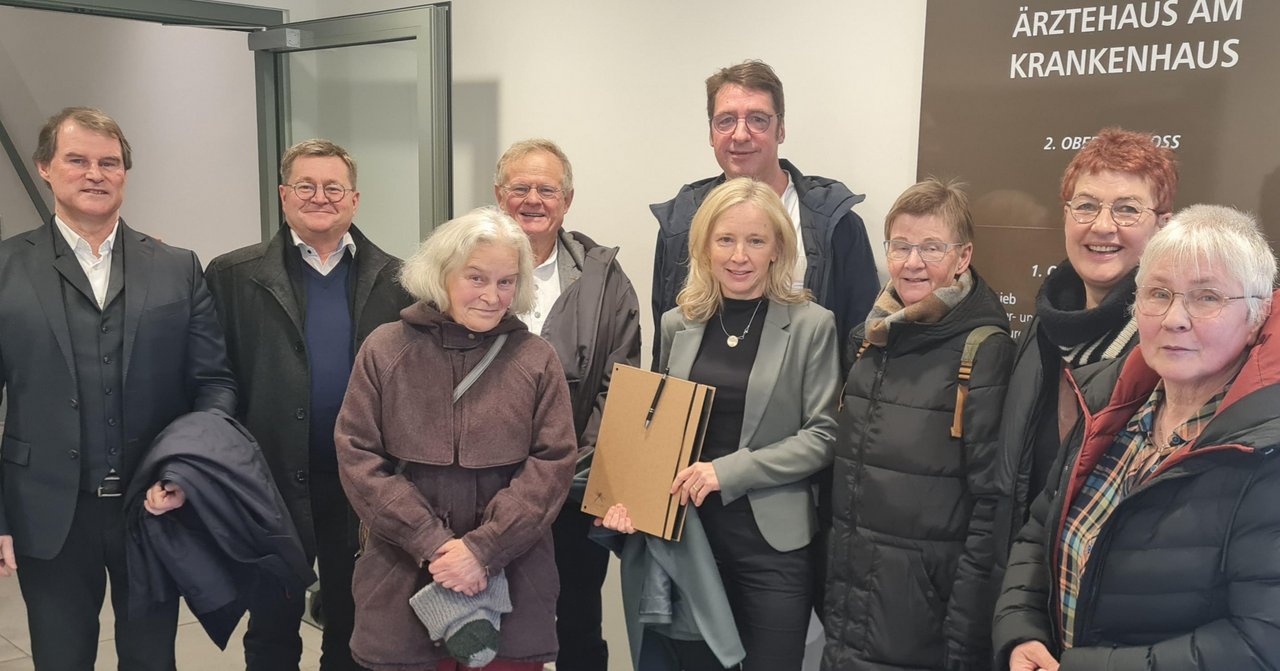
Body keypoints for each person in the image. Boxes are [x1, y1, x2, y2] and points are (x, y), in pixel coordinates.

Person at [993, 205, 1280, 670]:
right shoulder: (1107, 405)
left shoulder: (1267, 450)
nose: (1174, 318)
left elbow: (1260, 642)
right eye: (1159, 293)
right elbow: (1039, 529)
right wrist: (1020, 631)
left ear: (1255, 316)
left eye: (1206, 297)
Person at [0, 106, 237, 669]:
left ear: (125, 173)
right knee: (60, 658)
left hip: (152, 506)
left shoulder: (177, 267)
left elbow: (214, 384)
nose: (95, 174)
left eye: (109, 162)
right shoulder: (5, 267)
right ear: (44, 168)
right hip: (45, 510)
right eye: (77, 160)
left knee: (152, 658)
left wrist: (186, 474)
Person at [601, 177, 840, 670]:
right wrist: (629, 500)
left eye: (756, 241)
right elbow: (658, 430)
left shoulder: (812, 324)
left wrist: (725, 471)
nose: (739, 256)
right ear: (704, 247)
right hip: (690, 541)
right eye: (725, 239)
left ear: (778, 249)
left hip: (774, 549)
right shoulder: (678, 323)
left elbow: (823, 436)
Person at [335, 207, 577, 671]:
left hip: (514, 579)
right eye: (476, 278)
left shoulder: (536, 359)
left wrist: (483, 550)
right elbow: (358, 456)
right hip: (401, 579)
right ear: (442, 274)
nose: (492, 295)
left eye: (506, 281)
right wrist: (432, 543)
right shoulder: (384, 349)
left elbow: (553, 464)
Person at [205, 138, 412, 670]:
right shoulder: (232, 276)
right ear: (283, 195)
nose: (320, 197)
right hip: (268, 483)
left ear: (355, 200)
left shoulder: (400, 281)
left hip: (361, 485)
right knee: (271, 625)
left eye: (334, 188)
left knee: (354, 623)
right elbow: (213, 377)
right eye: (306, 186)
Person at [821, 179, 1016, 670]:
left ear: (962, 256)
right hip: (849, 602)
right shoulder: (869, 340)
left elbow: (991, 505)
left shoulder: (983, 351)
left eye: (931, 247)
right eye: (901, 246)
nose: (913, 262)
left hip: (925, 620)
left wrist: (965, 633)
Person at [493, 138, 642, 671]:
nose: (533, 200)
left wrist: (564, 473)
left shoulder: (606, 281)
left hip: (575, 490)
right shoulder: (468, 268)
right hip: (488, 493)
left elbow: (617, 388)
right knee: (493, 629)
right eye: (521, 187)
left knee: (578, 624)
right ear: (499, 195)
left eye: (547, 189)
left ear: (568, 200)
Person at [995, 129, 1178, 561]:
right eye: (1087, 205)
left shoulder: (1173, 347)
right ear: (1066, 216)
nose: (1102, 226)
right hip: (1026, 575)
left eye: (1127, 209)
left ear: (1163, 226)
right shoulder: (1042, 331)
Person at [650, 60, 878, 358]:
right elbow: (666, 347)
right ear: (711, 133)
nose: (740, 135)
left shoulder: (836, 223)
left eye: (757, 119)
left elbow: (861, 343)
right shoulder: (680, 223)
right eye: (725, 120)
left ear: (780, 129)